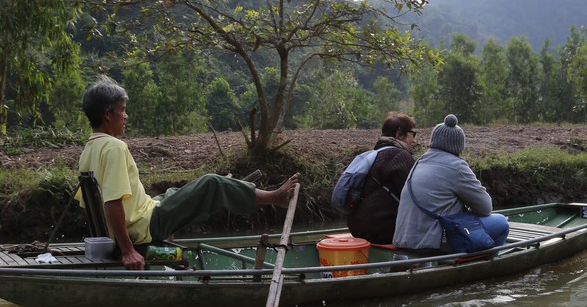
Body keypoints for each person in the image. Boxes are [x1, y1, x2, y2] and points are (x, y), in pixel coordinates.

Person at [77, 76, 301, 270]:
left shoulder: (89, 149)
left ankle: (219, 195)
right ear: (108, 114)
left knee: (177, 192)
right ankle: (275, 198)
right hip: (145, 226)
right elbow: (113, 203)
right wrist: (127, 250)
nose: (125, 116)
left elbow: (92, 204)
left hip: (143, 212)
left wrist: (108, 240)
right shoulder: (115, 147)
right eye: (122, 110)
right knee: (211, 184)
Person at [392, 114, 509, 252]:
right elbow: (485, 207)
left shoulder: (420, 161)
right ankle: (483, 267)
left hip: (403, 239)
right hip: (432, 242)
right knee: (502, 223)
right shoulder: (456, 166)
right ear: (458, 146)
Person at [345, 112, 417, 245]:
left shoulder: (374, 155)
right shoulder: (400, 156)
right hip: (380, 231)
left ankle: (399, 265)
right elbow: (413, 197)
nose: (414, 140)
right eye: (413, 133)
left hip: (356, 228)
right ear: (400, 134)